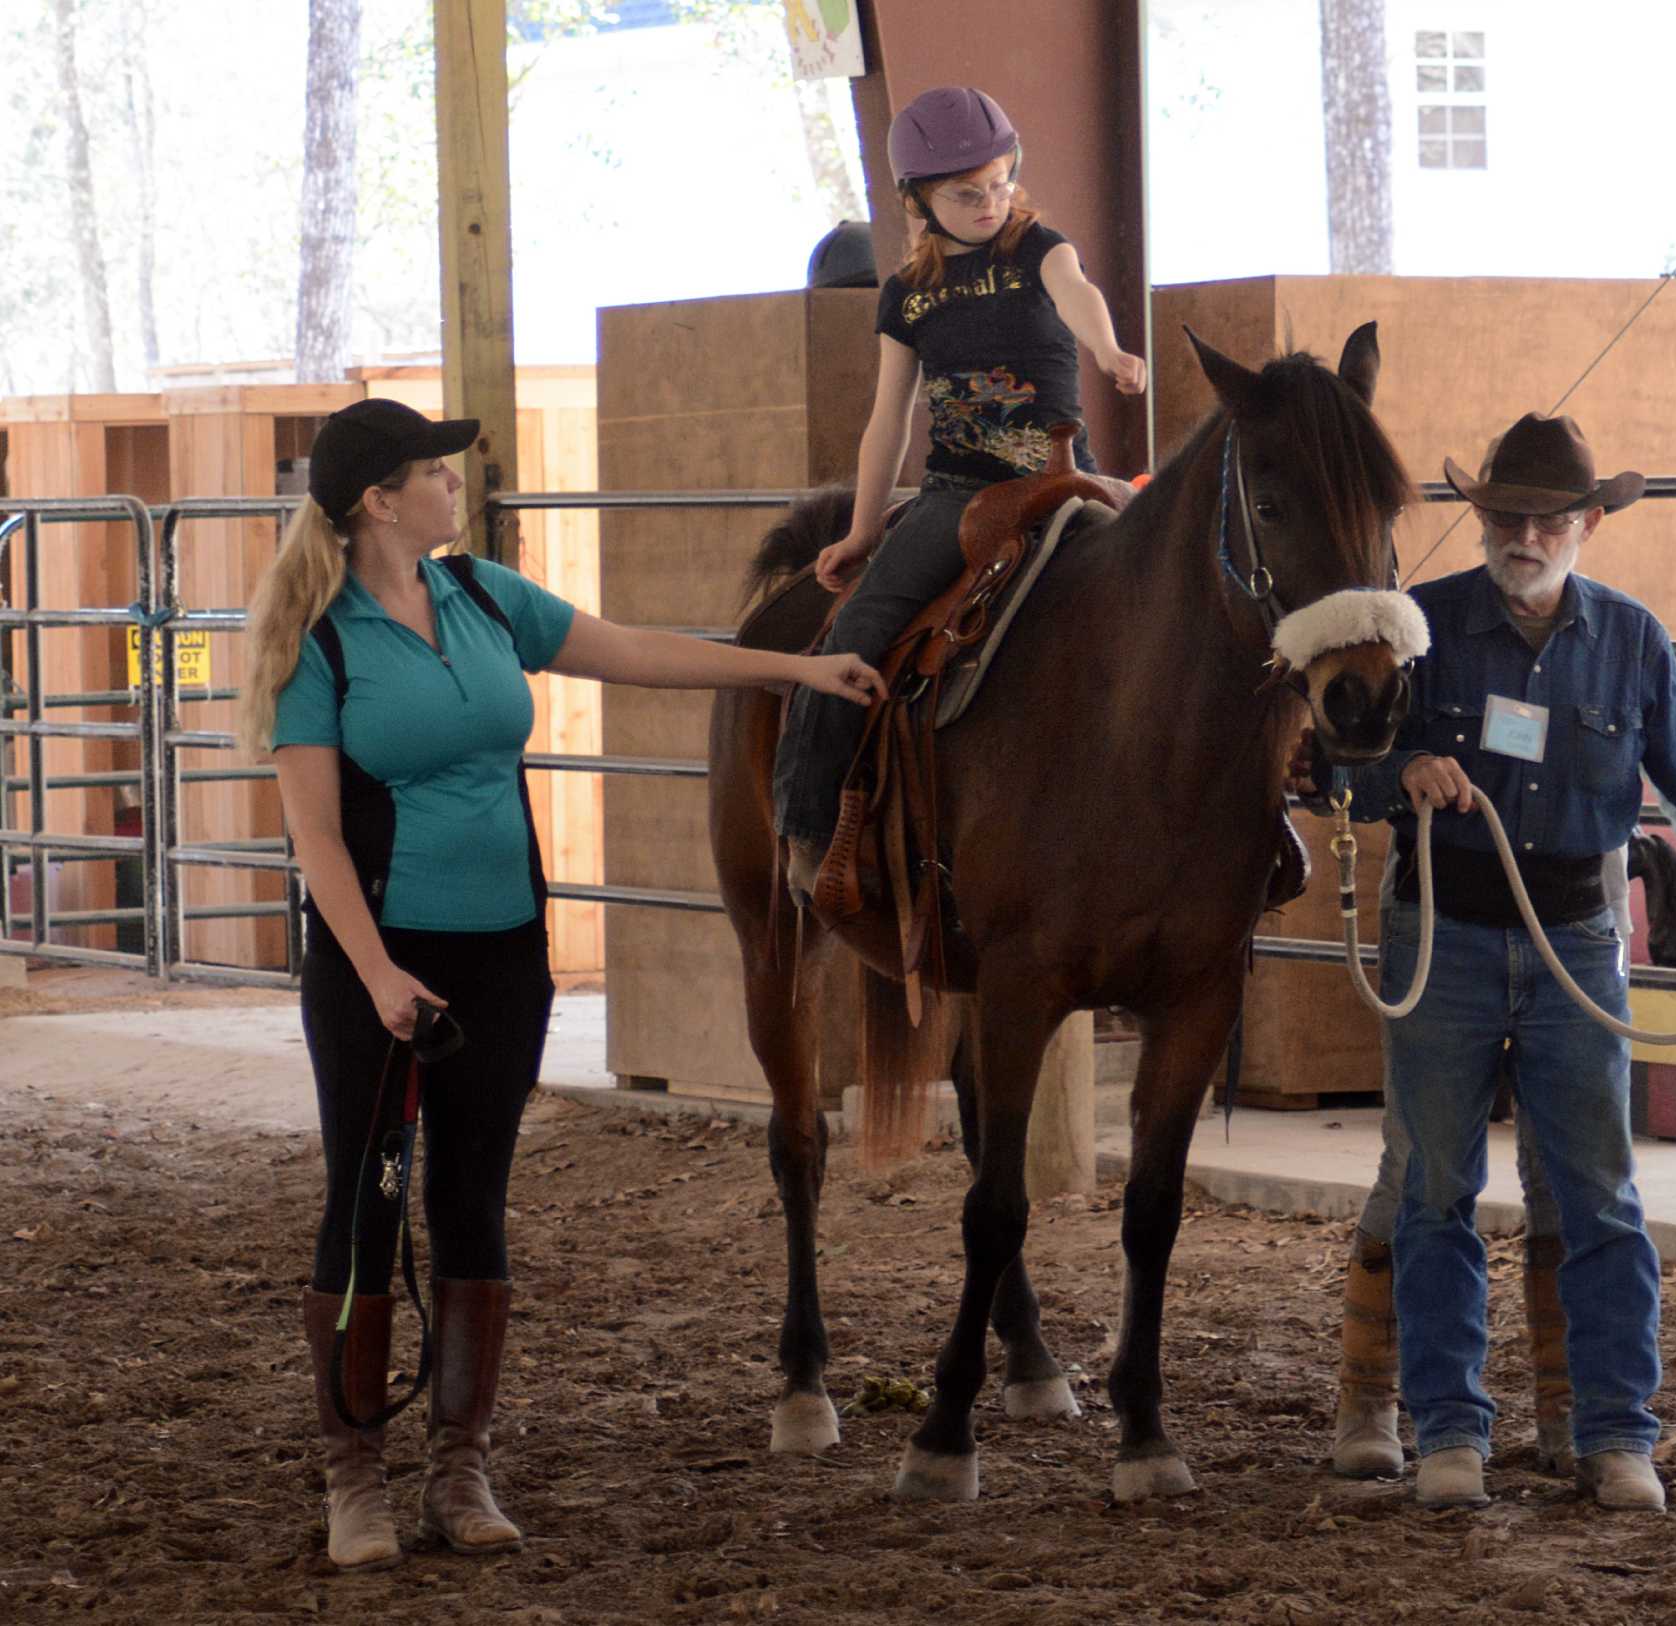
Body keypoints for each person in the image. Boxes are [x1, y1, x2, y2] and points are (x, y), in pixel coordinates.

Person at [239, 398, 881, 1572]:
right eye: (434, 473)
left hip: (502, 953)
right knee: (368, 1202)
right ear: (381, 501)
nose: (454, 486)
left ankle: (461, 1467)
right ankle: (356, 1479)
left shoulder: (483, 598)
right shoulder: (318, 646)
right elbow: (316, 843)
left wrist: (799, 666)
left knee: (474, 1200)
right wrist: (381, 976)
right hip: (380, 972)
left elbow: (633, 649)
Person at [1311, 413, 1676, 1513]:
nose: (1524, 534)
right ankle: (1450, 1430)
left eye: (1547, 517)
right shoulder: (1420, 631)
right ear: (1482, 518)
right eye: (1505, 515)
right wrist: (1402, 771)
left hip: (1577, 944)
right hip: (1441, 930)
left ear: (1587, 524)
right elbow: (1339, 769)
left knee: (1598, 1193)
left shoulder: (1631, 642)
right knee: (1437, 1189)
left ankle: (1610, 1433)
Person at [771, 84, 1147, 899]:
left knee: (1180, 573)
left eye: (1001, 182)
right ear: (917, 200)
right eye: (965, 193)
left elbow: (1078, 294)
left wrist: (1111, 352)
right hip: (957, 494)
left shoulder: (1041, 248)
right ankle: (805, 826)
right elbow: (886, 422)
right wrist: (865, 530)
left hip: (1060, 479)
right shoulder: (907, 294)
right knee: (855, 630)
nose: (989, 203)